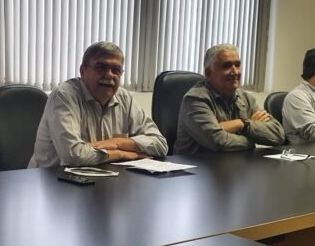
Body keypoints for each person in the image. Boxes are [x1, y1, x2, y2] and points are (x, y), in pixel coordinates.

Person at [28, 41, 168, 168]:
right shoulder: (64, 95)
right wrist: (121, 154)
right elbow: (73, 156)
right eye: (101, 68)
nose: (109, 75)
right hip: (52, 179)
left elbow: (160, 144)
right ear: (83, 71)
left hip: (101, 176)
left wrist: (117, 142)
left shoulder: (125, 98)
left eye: (116, 70)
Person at [174, 43, 285, 154]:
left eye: (237, 65)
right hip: (199, 164)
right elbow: (218, 141)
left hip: (236, 162)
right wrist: (252, 139)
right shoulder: (195, 99)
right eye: (226, 66)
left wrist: (243, 125)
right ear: (208, 73)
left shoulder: (246, 98)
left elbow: (278, 135)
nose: (235, 72)